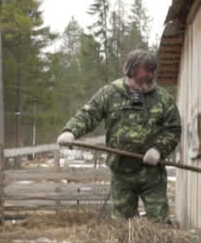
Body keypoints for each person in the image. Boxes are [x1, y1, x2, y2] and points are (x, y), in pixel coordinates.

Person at [57, 49, 181, 222]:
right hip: (121, 173)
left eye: (153, 70)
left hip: (152, 174)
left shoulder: (162, 98)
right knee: (123, 226)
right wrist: (70, 131)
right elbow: (89, 114)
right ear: (133, 69)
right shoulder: (110, 93)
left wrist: (158, 149)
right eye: (147, 70)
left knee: (159, 222)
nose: (151, 74)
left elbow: (173, 129)